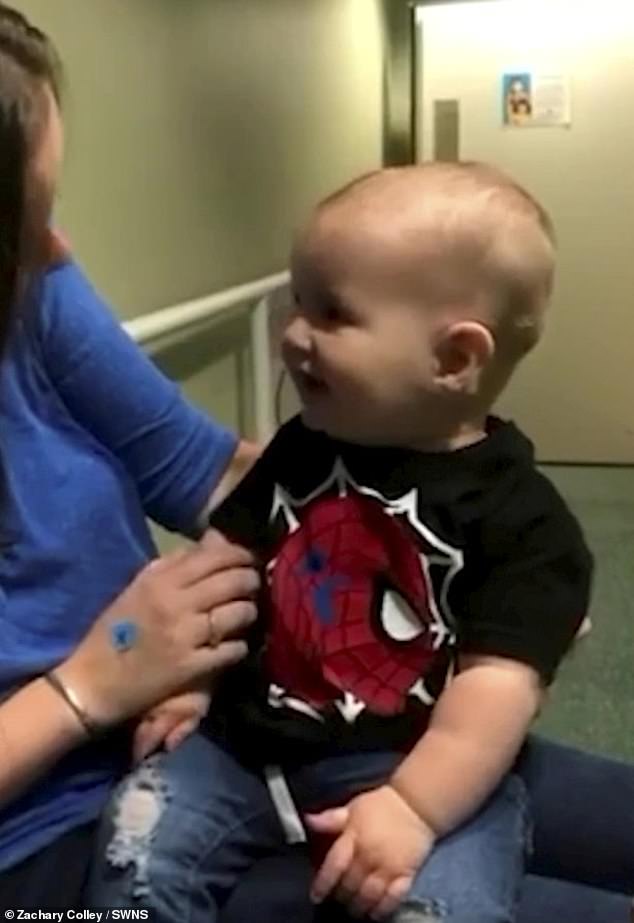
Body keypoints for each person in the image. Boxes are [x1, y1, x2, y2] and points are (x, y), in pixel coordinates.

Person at [87, 162, 594, 923]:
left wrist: (413, 808)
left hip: (422, 770)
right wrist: (189, 680)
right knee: (134, 849)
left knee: (445, 909)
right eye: (298, 302)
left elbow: (495, 696)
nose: (293, 334)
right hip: (242, 753)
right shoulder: (299, 449)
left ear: (454, 359)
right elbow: (224, 569)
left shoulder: (528, 523)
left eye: (332, 314)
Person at [0, 4, 260, 906]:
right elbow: (118, 659)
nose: (60, 245)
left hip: (174, 749)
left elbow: (213, 475)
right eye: (25, 218)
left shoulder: (32, 286)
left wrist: (448, 520)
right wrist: (94, 682)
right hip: (38, 844)